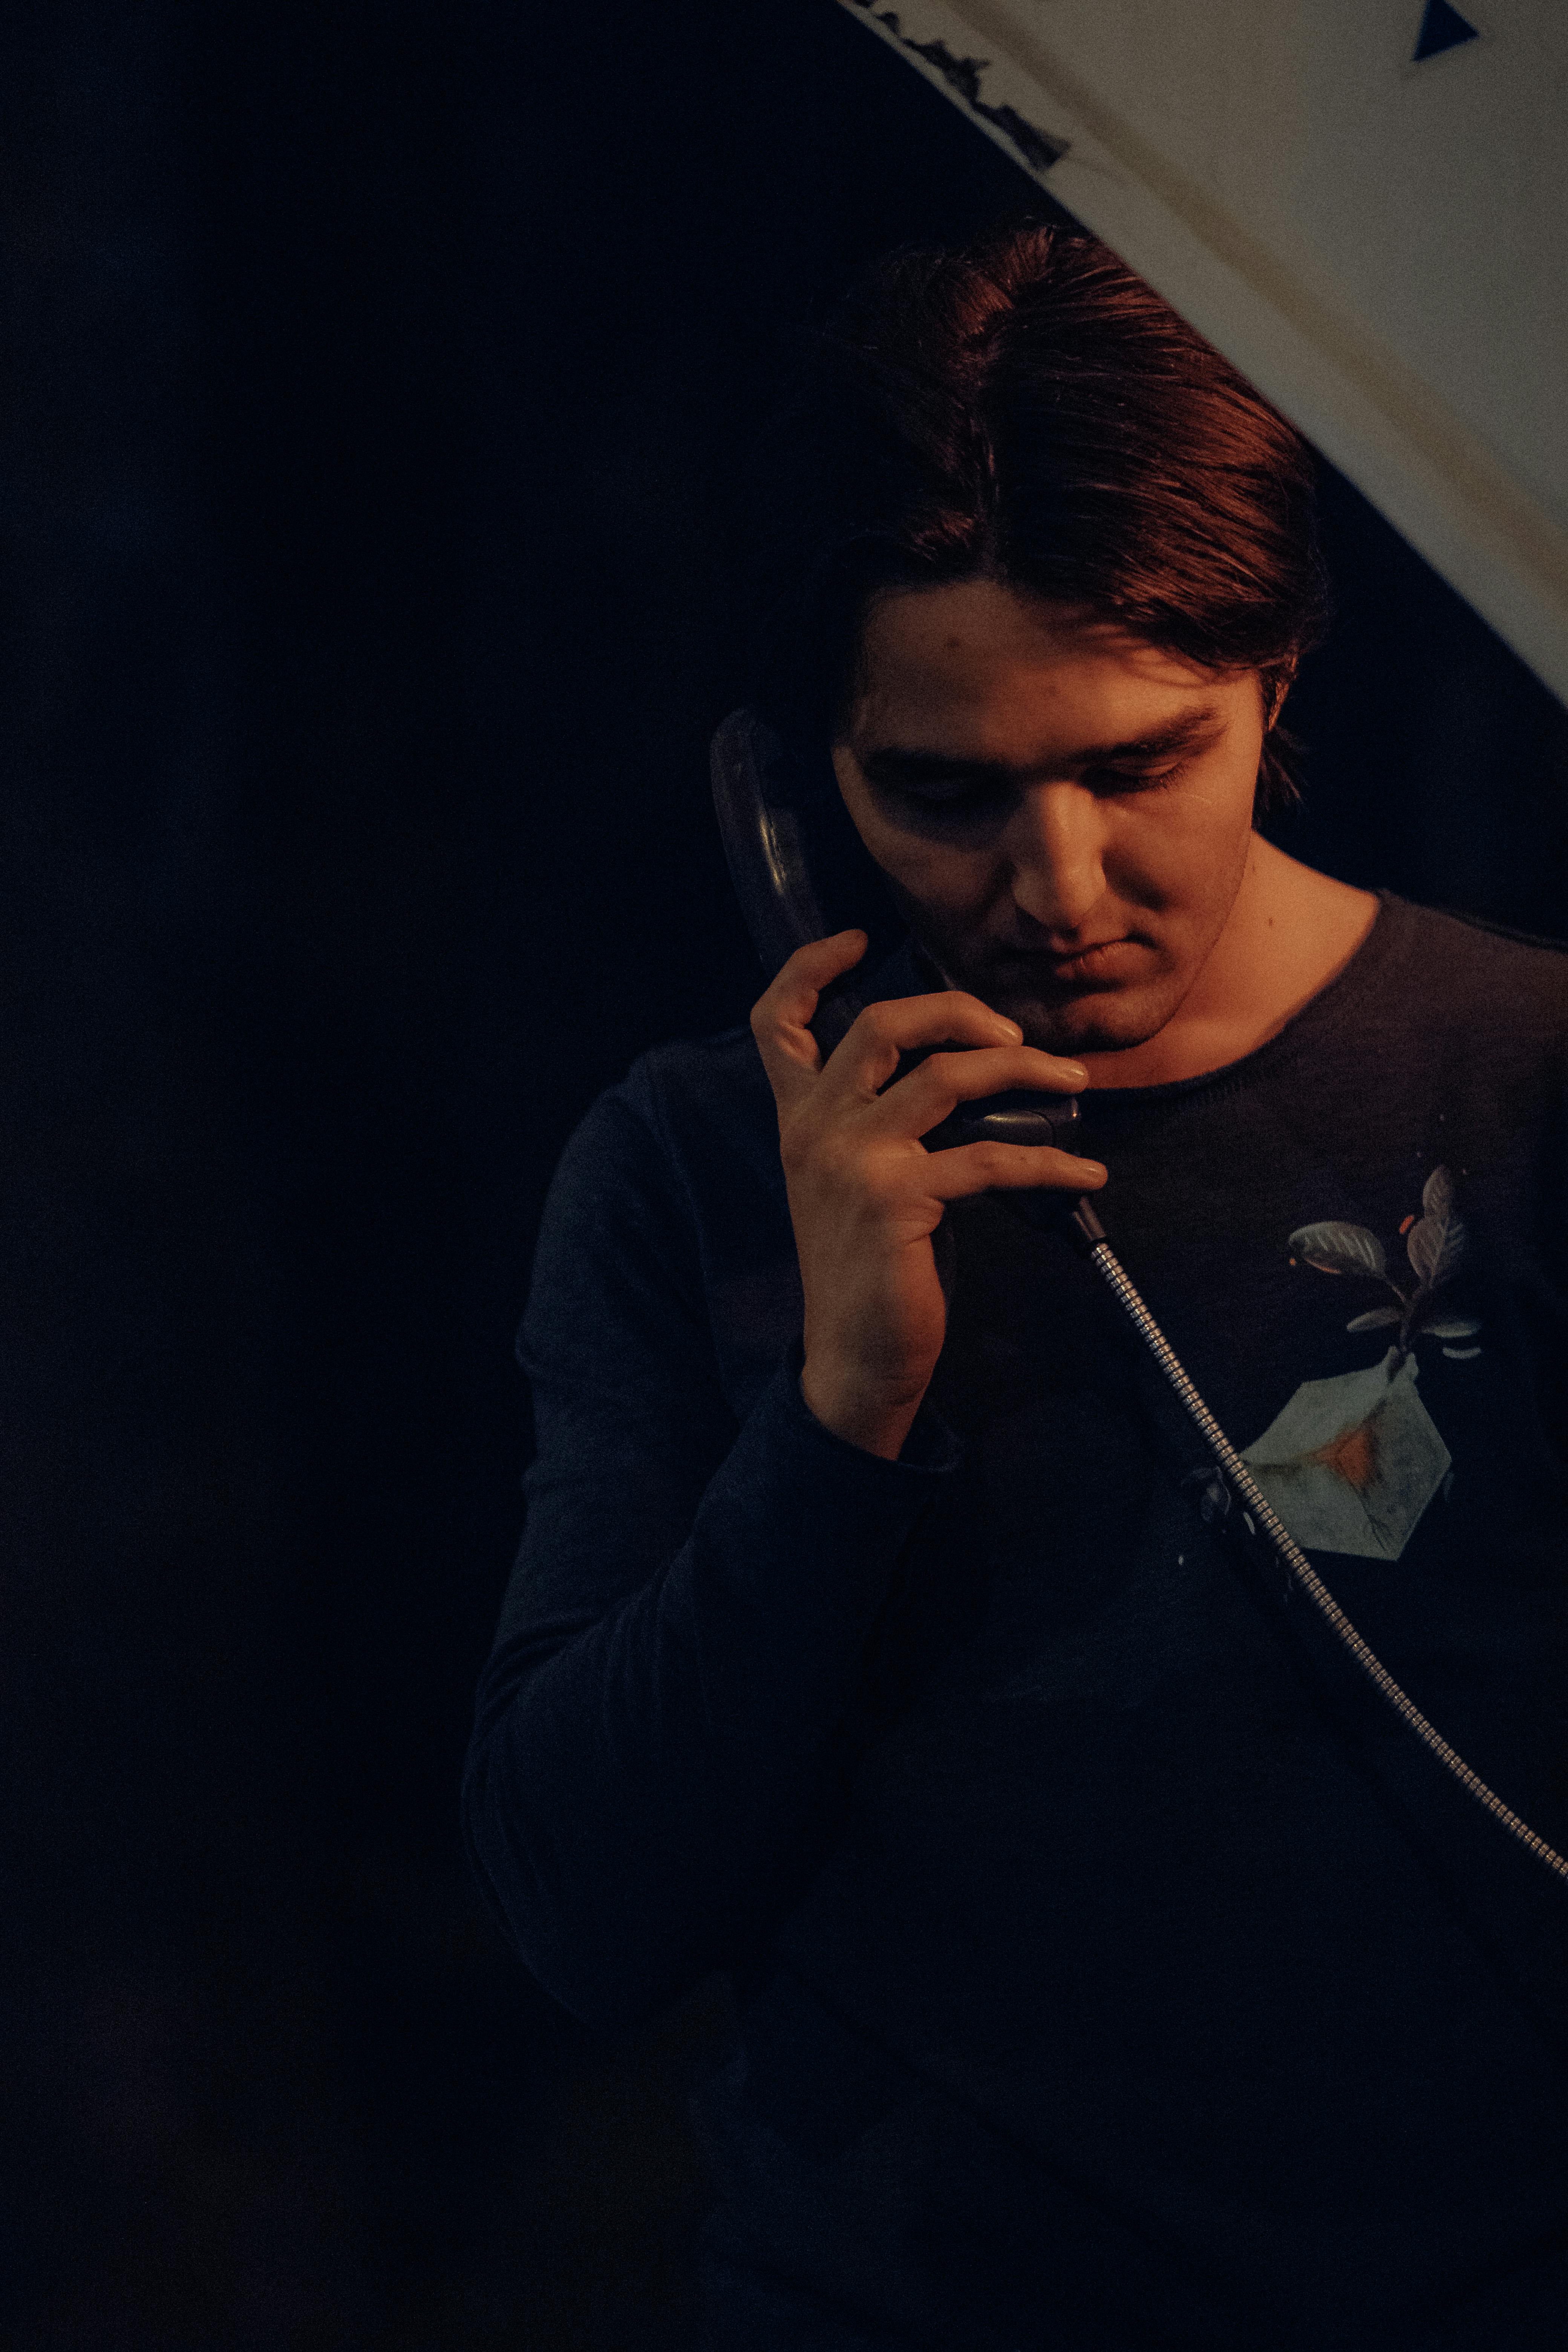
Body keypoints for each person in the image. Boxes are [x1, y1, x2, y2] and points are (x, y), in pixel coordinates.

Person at [464, 225, 1568, 2347]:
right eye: (945, 791)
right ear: (798, 795)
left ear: (1277, 678)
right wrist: (835, 1416)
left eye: (1139, 764)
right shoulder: (698, 1169)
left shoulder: (1523, 1094)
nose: (1058, 888)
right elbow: (586, 1910)